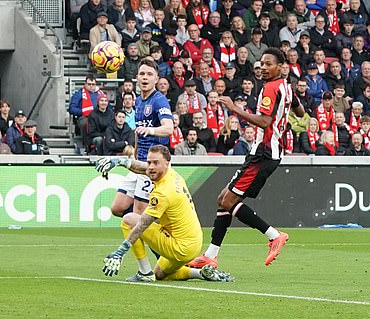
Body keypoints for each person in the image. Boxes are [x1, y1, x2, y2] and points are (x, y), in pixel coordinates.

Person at [189, 48, 304, 270]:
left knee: (227, 201)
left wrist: (234, 109)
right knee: (223, 198)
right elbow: (299, 112)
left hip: (263, 153)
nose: (263, 67)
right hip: (267, 152)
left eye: (269, 63)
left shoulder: (271, 88)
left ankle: (273, 235)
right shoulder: (287, 87)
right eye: (261, 63)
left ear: (280, 67)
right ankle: (211, 254)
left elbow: (263, 121)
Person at [101, 145, 234, 282]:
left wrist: (120, 252)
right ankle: (200, 273)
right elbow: (142, 168)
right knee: (159, 273)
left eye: (155, 163)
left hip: (179, 246)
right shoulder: (171, 174)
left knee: (129, 219)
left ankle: (144, 273)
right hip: (194, 243)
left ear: (166, 163)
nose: (151, 167)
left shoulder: (163, 193)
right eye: (149, 162)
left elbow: (142, 225)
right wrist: (120, 161)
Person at [95, 60, 175, 279]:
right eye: (142, 73)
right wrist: (133, 152)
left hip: (153, 168)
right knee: (118, 208)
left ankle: (146, 269)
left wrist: (151, 130)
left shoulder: (159, 101)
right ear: (137, 78)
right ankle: (155, 238)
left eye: (150, 74)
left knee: (137, 218)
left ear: (157, 79)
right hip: (138, 164)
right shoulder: (139, 101)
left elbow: (169, 129)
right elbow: (140, 134)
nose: (145, 77)